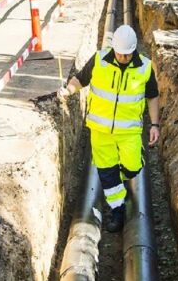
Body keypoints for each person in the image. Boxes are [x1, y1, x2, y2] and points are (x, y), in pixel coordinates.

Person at [57, 24, 160, 233]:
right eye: (120, 54)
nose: (123, 58)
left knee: (132, 167)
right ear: (114, 49)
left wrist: (155, 124)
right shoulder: (99, 61)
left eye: (127, 54)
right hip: (100, 131)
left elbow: (152, 96)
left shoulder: (144, 68)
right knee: (107, 173)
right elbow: (80, 79)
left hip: (129, 132)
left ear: (134, 50)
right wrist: (69, 90)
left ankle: (122, 184)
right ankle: (117, 209)